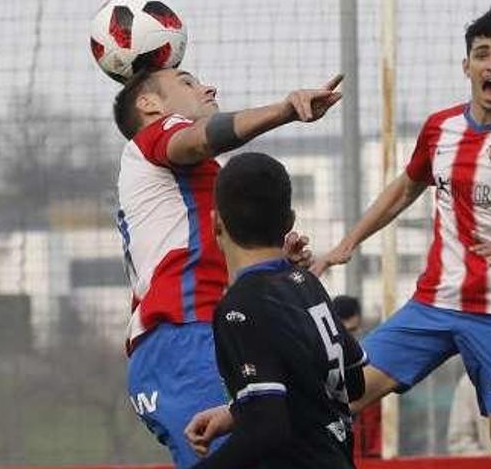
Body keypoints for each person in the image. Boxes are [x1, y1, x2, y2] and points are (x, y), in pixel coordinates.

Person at [308, 10, 491, 469]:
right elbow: (405, 188)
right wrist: (349, 242)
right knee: (340, 395)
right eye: (482, 55)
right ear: (466, 65)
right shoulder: (440, 129)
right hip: (433, 304)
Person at [114, 66, 342, 467]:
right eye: (187, 82)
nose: (207, 86)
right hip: (184, 340)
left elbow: (214, 260)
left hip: (199, 336)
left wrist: (274, 261)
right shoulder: (153, 139)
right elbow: (200, 137)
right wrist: (286, 109)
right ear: (149, 105)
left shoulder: (188, 180)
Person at [186, 151, 366, 468]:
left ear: (216, 223)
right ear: (289, 222)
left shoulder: (238, 308)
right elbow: (354, 382)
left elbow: (266, 430)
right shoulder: (306, 284)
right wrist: (239, 409)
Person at [331, 295, 382, 459]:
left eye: (352, 331)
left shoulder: (373, 365)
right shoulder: (320, 367)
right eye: (343, 331)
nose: (348, 339)